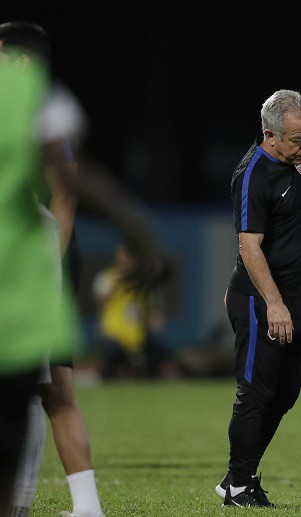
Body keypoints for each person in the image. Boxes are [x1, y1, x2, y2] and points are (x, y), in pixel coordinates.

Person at [0, 22, 167, 517]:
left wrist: (53, 259)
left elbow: (67, 188)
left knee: (46, 388)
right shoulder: (44, 100)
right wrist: (136, 226)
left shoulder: (35, 96)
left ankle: (56, 504)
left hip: (31, 267)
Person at [219, 89, 301, 508]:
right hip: (261, 300)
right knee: (255, 393)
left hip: (294, 295)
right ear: (269, 135)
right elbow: (248, 247)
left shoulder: (292, 151)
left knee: (286, 394)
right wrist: (274, 304)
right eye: (297, 141)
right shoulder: (254, 174)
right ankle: (238, 485)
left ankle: (239, 477)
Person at [93, 242, 166, 380]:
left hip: (136, 337)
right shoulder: (107, 277)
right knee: (112, 352)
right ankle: (106, 379)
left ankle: (149, 383)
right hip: (112, 335)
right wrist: (120, 279)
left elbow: (148, 312)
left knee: (159, 350)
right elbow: (101, 298)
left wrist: (153, 320)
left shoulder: (140, 283)